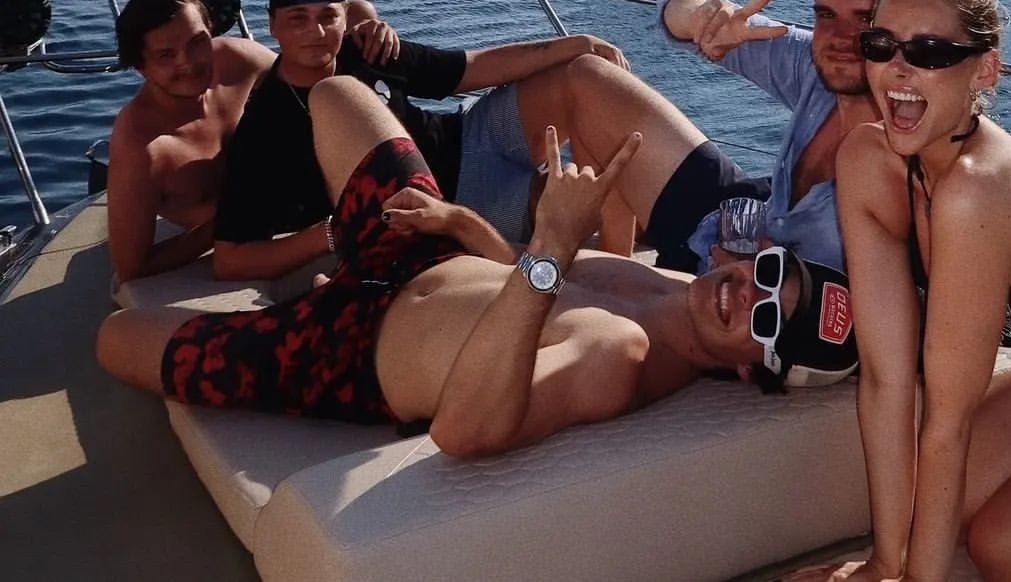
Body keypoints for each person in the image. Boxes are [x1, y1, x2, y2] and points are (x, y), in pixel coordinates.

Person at [97, 77, 858, 458]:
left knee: (119, 337)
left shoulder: (619, 357)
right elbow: (537, 285)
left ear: (751, 373)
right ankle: (278, 238)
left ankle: (263, 265)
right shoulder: (667, 286)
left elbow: (462, 431)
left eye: (765, 321)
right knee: (334, 92)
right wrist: (462, 224)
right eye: (769, 277)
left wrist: (554, 248)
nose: (742, 294)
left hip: (348, 354)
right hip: (420, 251)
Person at [803, 0, 1011, 582]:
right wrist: (885, 563)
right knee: (938, 506)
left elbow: (947, 424)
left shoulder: (979, 194)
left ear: (983, 70)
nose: (898, 69)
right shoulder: (869, 161)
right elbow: (885, 379)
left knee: (1010, 550)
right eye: (883, 45)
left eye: (929, 52)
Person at [211, 0, 631, 282]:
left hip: (469, 134)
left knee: (586, 80)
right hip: (453, 200)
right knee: (576, 201)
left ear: (344, 16)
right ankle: (611, 273)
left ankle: (622, 267)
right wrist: (329, 233)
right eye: (297, 20)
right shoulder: (267, 121)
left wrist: (575, 44)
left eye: (327, 17)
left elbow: (472, 69)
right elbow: (231, 259)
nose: (317, 33)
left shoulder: (365, 49)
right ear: (272, 26)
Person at [655, 0, 937, 272]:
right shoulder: (813, 66)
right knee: (592, 77)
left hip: (783, 309)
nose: (840, 37)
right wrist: (701, 18)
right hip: (731, 250)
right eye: (826, 14)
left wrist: (761, 277)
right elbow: (673, 2)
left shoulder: (923, 157)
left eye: (866, 20)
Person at [106, 0, 394, 283]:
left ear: (211, 30)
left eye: (197, 41)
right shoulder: (142, 146)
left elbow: (312, 63)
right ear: (141, 67)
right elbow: (131, 266)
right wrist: (224, 225)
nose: (188, 62)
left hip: (319, 188)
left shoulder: (235, 60)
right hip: (257, 244)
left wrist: (368, 24)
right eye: (166, 55)